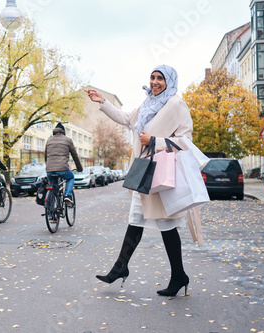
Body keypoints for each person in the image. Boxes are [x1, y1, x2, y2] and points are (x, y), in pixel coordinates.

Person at [85, 65, 193, 297]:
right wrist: (102, 102)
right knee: (135, 219)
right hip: (143, 170)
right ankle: (121, 266)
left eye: (160, 78)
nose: (154, 82)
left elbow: (185, 141)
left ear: (170, 82)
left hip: (161, 172)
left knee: (167, 225)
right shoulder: (147, 105)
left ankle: (179, 275)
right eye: (152, 77)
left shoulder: (176, 104)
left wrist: (155, 141)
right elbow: (125, 118)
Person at [45, 123, 83, 206]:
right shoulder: (67, 140)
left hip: (50, 170)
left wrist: (48, 167)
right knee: (70, 178)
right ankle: (67, 195)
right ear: (63, 131)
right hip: (63, 169)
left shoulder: (49, 140)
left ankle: (51, 215)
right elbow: (75, 156)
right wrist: (79, 168)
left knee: (53, 188)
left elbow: (46, 156)